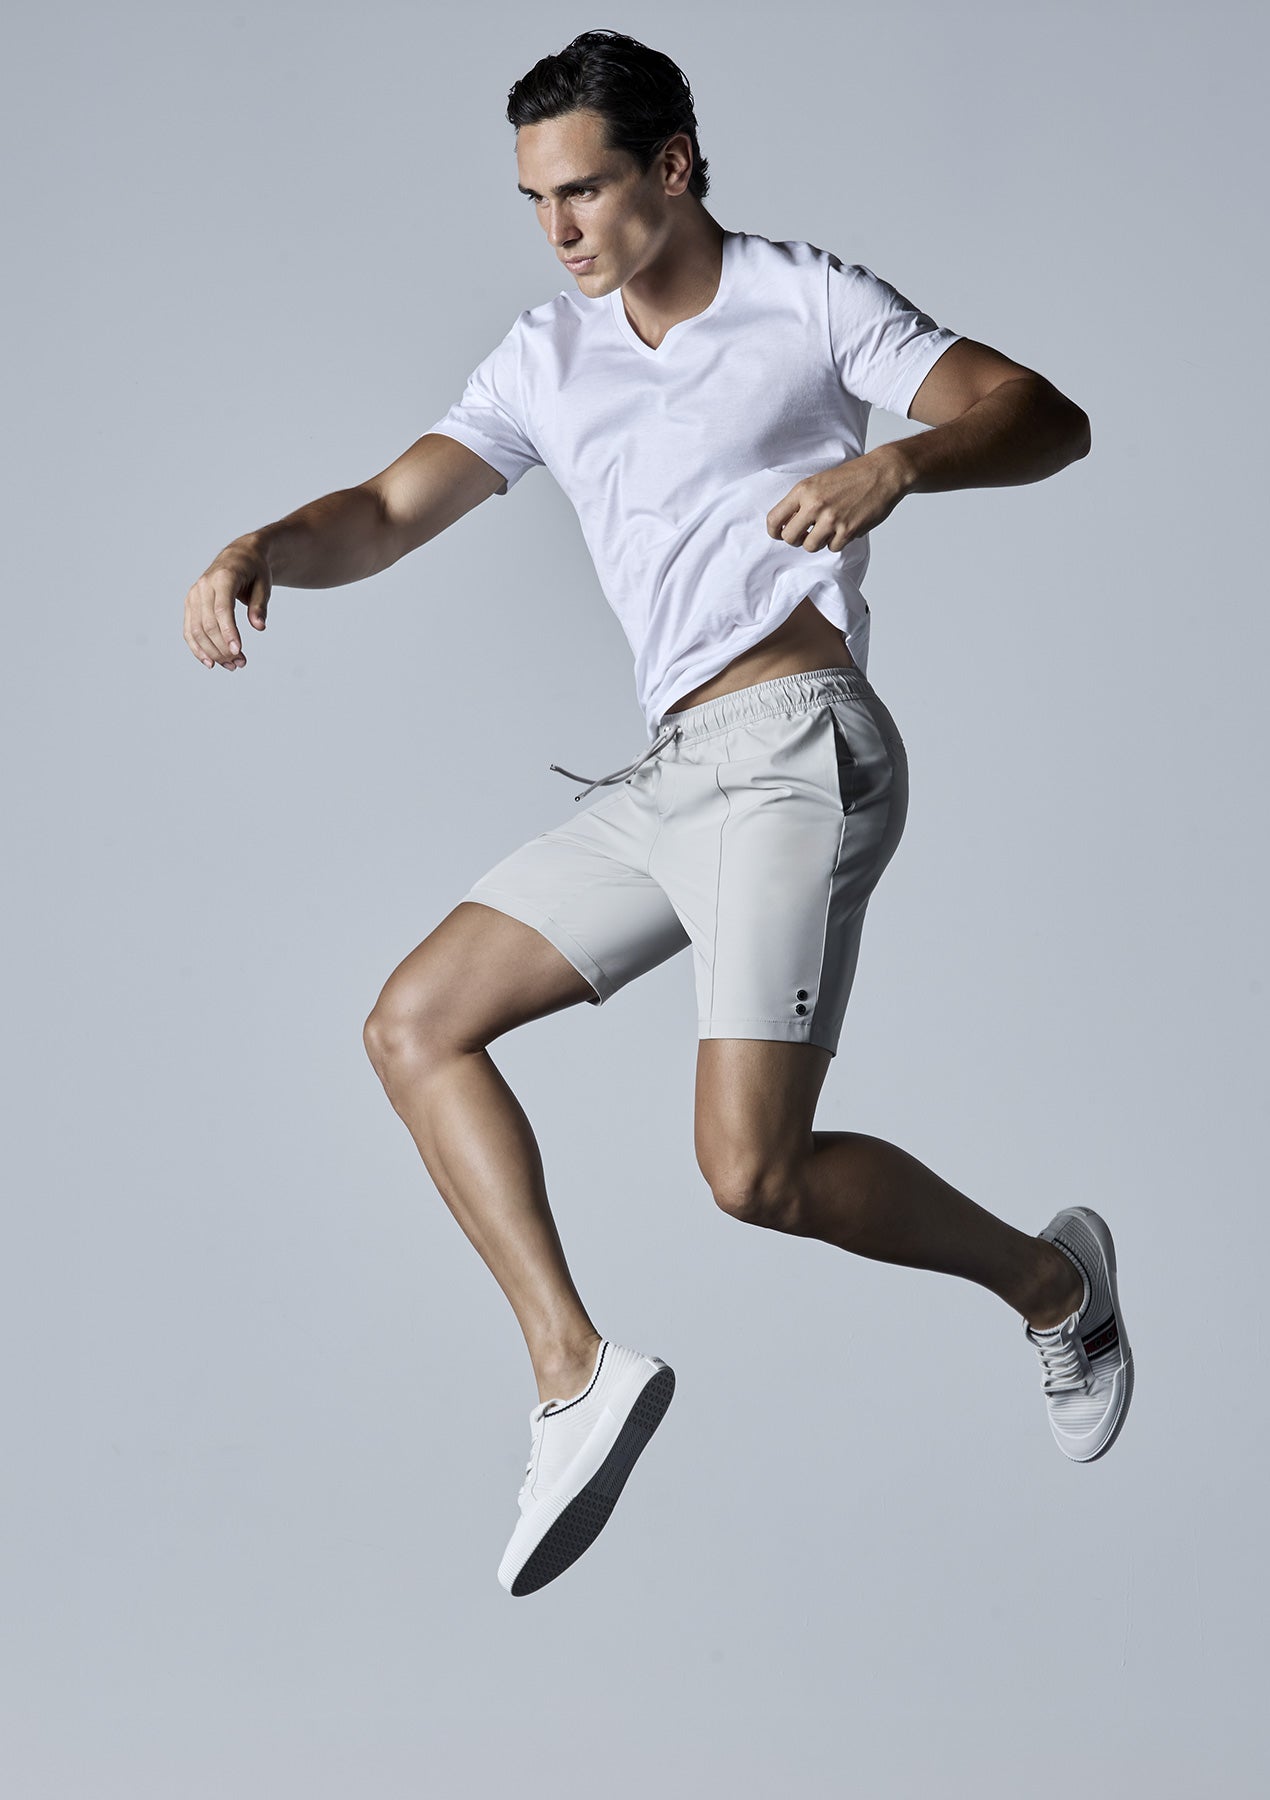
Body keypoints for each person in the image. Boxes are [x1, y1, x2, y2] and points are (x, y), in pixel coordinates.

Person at [182, 29, 1133, 1597]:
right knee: (413, 1026)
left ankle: (1056, 1289)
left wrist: (900, 465)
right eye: (534, 200)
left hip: (797, 746)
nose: (558, 229)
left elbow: (1042, 415)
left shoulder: (802, 298)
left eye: (585, 190)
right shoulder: (544, 359)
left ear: (673, 166)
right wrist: (263, 545)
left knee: (752, 1175)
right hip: (672, 771)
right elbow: (390, 507)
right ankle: (574, 1379)